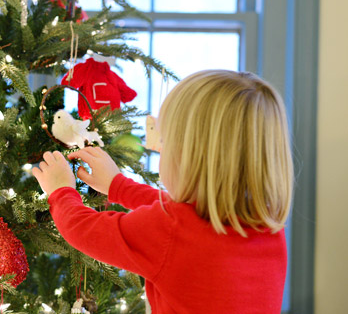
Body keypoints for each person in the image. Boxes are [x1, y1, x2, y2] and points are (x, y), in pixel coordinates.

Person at [32, 69, 294, 314]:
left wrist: (61, 190)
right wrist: (119, 187)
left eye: (166, 140)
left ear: (191, 158)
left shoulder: (170, 231)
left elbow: (85, 230)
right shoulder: (266, 225)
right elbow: (186, 215)